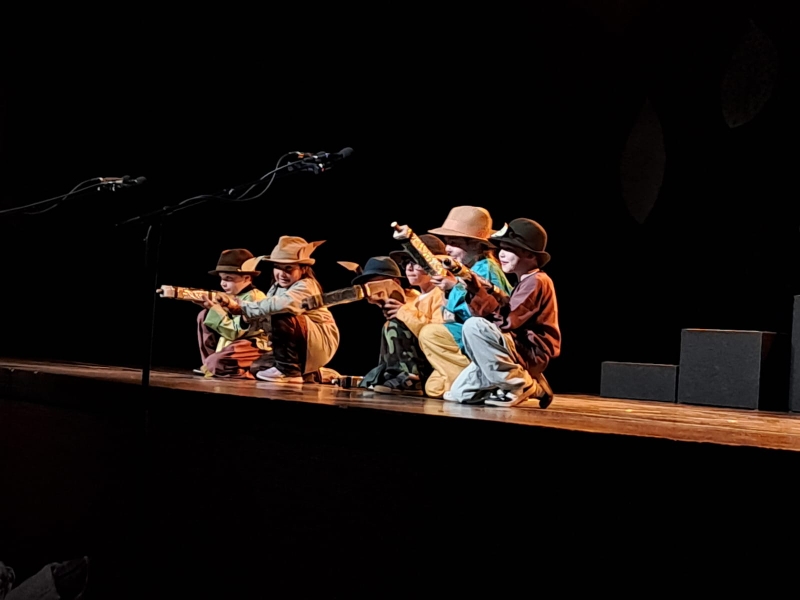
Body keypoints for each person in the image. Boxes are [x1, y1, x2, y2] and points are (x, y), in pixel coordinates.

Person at [446, 218, 560, 408]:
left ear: (530, 255)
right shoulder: (525, 281)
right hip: (515, 347)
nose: (501, 255)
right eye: (501, 249)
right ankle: (531, 384)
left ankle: (520, 384)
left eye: (509, 249)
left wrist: (478, 292)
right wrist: (483, 289)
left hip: (530, 351)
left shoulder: (537, 281)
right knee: (460, 393)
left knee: (474, 326)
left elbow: (507, 321)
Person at [215, 236, 340, 384]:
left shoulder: (306, 285)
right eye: (277, 267)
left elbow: (281, 305)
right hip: (298, 349)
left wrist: (242, 306)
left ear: (303, 269)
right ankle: (312, 374)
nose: (281, 274)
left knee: (282, 312)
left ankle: (289, 372)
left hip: (318, 341)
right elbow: (264, 318)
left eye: (288, 268)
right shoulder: (275, 289)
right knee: (257, 368)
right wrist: (236, 311)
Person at [417, 206, 513, 398]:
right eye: (447, 242)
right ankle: (466, 380)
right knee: (434, 387)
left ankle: (482, 383)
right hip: (471, 333)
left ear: (476, 246)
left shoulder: (485, 268)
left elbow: (480, 313)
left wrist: (452, 288)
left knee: (431, 334)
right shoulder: (468, 268)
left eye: (454, 242)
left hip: (489, 336)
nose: (447, 248)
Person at [360, 235, 448, 395]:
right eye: (407, 263)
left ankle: (412, 379)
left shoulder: (441, 294)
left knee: (397, 324)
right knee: (391, 324)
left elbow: (437, 333)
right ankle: (392, 374)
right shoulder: (415, 299)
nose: (409, 268)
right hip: (421, 357)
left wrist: (403, 313)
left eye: (416, 263)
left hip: (433, 363)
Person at [195, 248, 270, 379]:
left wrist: (216, 310)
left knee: (216, 363)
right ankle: (208, 365)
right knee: (204, 314)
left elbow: (236, 332)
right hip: (234, 343)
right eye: (221, 278)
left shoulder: (255, 298)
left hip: (251, 344)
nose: (222, 283)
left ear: (247, 278)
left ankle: (249, 372)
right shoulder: (231, 296)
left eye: (228, 279)